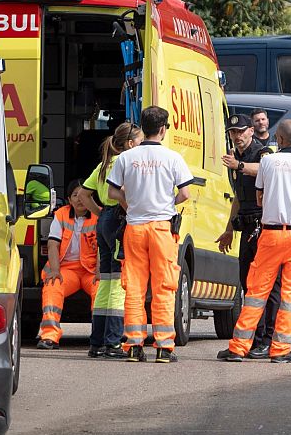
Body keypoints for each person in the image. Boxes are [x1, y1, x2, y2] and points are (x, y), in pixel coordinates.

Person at [217, 117, 291, 363]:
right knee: (289, 293)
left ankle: (238, 347)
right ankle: (280, 350)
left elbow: (259, 197)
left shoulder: (269, 162)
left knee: (256, 291)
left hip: (271, 233)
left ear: (280, 140)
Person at [107, 106, 196, 363]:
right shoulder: (173, 158)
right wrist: (168, 203)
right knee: (165, 286)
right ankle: (164, 347)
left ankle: (134, 345)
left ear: (143, 128)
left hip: (134, 228)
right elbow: (185, 194)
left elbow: (113, 192)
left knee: (134, 287)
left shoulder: (126, 158)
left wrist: (129, 204)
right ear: (163, 129)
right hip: (161, 228)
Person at [218, 113, 284, 359]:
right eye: (232, 133)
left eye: (241, 132)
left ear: (250, 131)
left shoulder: (261, 152)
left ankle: (267, 338)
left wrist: (240, 166)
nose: (236, 137)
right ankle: (253, 339)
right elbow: (237, 197)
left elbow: (264, 169)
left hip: (263, 226)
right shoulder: (238, 158)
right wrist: (228, 229)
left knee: (267, 284)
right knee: (247, 284)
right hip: (246, 227)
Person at [80, 122, 141, 359]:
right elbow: (125, 192)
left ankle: (97, 343)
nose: (141, 143)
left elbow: (84, 194)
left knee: (105, 282)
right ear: (130, 143)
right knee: (117, 283)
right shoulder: (125, 163)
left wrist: (100, 212)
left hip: (105, 218)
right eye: (139, 139)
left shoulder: (104, 164)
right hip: (118, 219)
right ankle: (113, 342)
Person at [37, 181, 100, 350]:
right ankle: (49, 336)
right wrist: (55, 271)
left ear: (91, 198)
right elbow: (53, 244)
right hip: (66, 269)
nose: (80, 200)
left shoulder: (98, 216)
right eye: (75, 196)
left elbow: (104, 247)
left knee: (101, 289)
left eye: (84, 196)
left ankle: (100, 337)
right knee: (52, 285)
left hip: (91, 271)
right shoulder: (61, 215)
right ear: (68, 200)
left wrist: (100, 273)